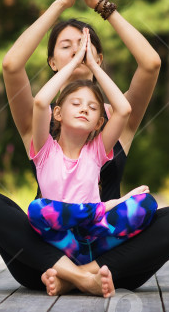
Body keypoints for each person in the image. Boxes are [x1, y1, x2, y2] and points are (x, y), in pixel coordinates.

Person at [0, 0, 169, 297]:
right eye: (67, 46)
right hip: (43, 259)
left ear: (99, 59)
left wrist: (101, 7)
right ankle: (73, 276)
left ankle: (81, 276)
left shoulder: (116, 117)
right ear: (52, 62)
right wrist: (62, 3)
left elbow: (151, 63)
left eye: (86, 45)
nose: (78, 50)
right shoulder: (40, 120)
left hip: (111, 258)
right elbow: (11, 64)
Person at [25, 28, 158, 275]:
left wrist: (94, 66)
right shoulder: (45, 151)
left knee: (146, 204)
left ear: (99, 122)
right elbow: (41, 101)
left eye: (92, 107)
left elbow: (124, 110)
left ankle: (83, 270)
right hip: (60, 241)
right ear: (58, 113)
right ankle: (85, 266)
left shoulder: (97, 152)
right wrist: (75, 62)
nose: (84, 109)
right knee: (36, 209)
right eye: (75, 104)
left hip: (94, 241)